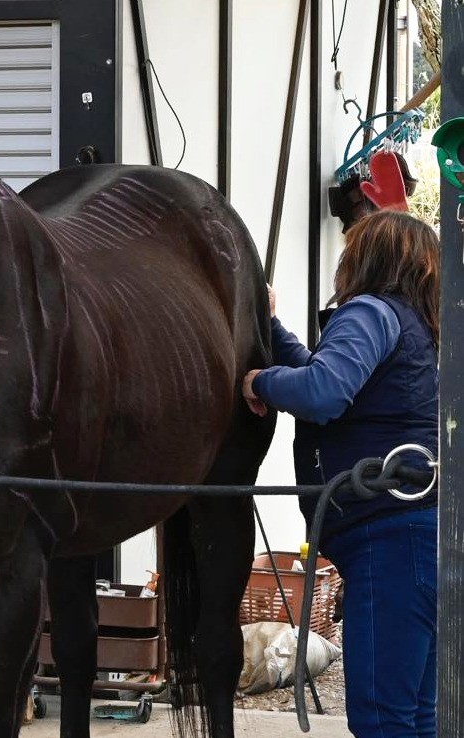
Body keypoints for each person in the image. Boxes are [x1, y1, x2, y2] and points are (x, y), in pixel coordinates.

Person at [242, 209, 439, 738]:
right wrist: (271, 327)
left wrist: (259, 382)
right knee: (417, 715)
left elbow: (324, 392)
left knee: (381, 720)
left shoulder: (370, 311)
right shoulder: (415, 326)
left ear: (367, 259)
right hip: (424, 538)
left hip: (388, 538)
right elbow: (325, 373)